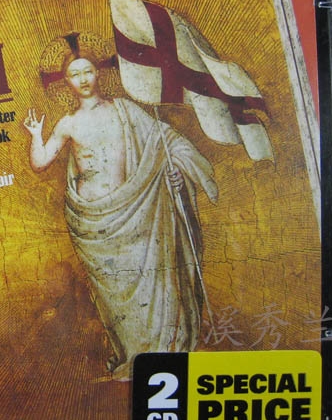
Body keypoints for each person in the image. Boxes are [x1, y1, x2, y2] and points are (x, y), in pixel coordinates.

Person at [24, 49, 217, 381]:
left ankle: (158, 352)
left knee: (149, 281)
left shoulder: (124, 110)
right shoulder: (68, 123)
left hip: (135, 211)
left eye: (87, 71)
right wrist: (35, 136)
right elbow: (40, 162)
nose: (83, 79)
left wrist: (176, 171)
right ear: (67, 82)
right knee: (114, 295)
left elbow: (165, 142)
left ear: (98, 73)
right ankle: (133, 354)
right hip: (94, 225)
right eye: (75, 75)